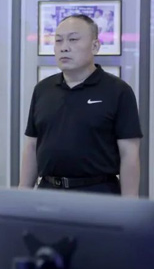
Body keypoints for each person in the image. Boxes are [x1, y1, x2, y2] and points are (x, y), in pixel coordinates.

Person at [19, 14, 142, 196]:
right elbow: (32, 145)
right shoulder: (43, 89)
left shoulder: (118, 91)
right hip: (48, 192)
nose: (64, 47)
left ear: (95, 46)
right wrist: (23, 191)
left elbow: (129, 154)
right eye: (58, 41)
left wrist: (129, 204)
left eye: (73, 39)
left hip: (98, 193)